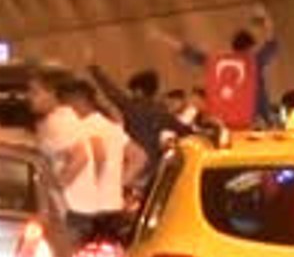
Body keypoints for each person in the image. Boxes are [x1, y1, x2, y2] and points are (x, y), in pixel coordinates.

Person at [157, 7, 281, 126]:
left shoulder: (218, 63)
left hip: (227, 121)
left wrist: (163, 38)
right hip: (257, 119)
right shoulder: (255, 62)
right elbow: (272, 43)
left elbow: (189, 52)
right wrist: (266, 19)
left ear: (234, 47)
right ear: (251, 47)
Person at [67, 80, 147, 239]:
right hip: (113, 206)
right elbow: (139, 157)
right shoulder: (109, 126)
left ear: (78, 101)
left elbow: (99, 154)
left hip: (86, 209)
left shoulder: (85, 126)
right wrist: (119, 183)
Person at [27, 72, 103, 240]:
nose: (30, 97)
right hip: (72, 208)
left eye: (35, 92)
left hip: (71, 210)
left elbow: (81, 157)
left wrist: (55, 188)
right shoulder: (57, 119)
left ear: (52, 93)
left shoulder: (61, 122)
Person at [89, 63, 184, 175]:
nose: (130, 94)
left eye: (131, 91)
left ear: (138, 91)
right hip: (152, 170)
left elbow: (112, 92)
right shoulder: (162, 112)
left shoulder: (132, 107)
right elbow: (184, 130)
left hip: (132, 166)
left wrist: (95, 70)